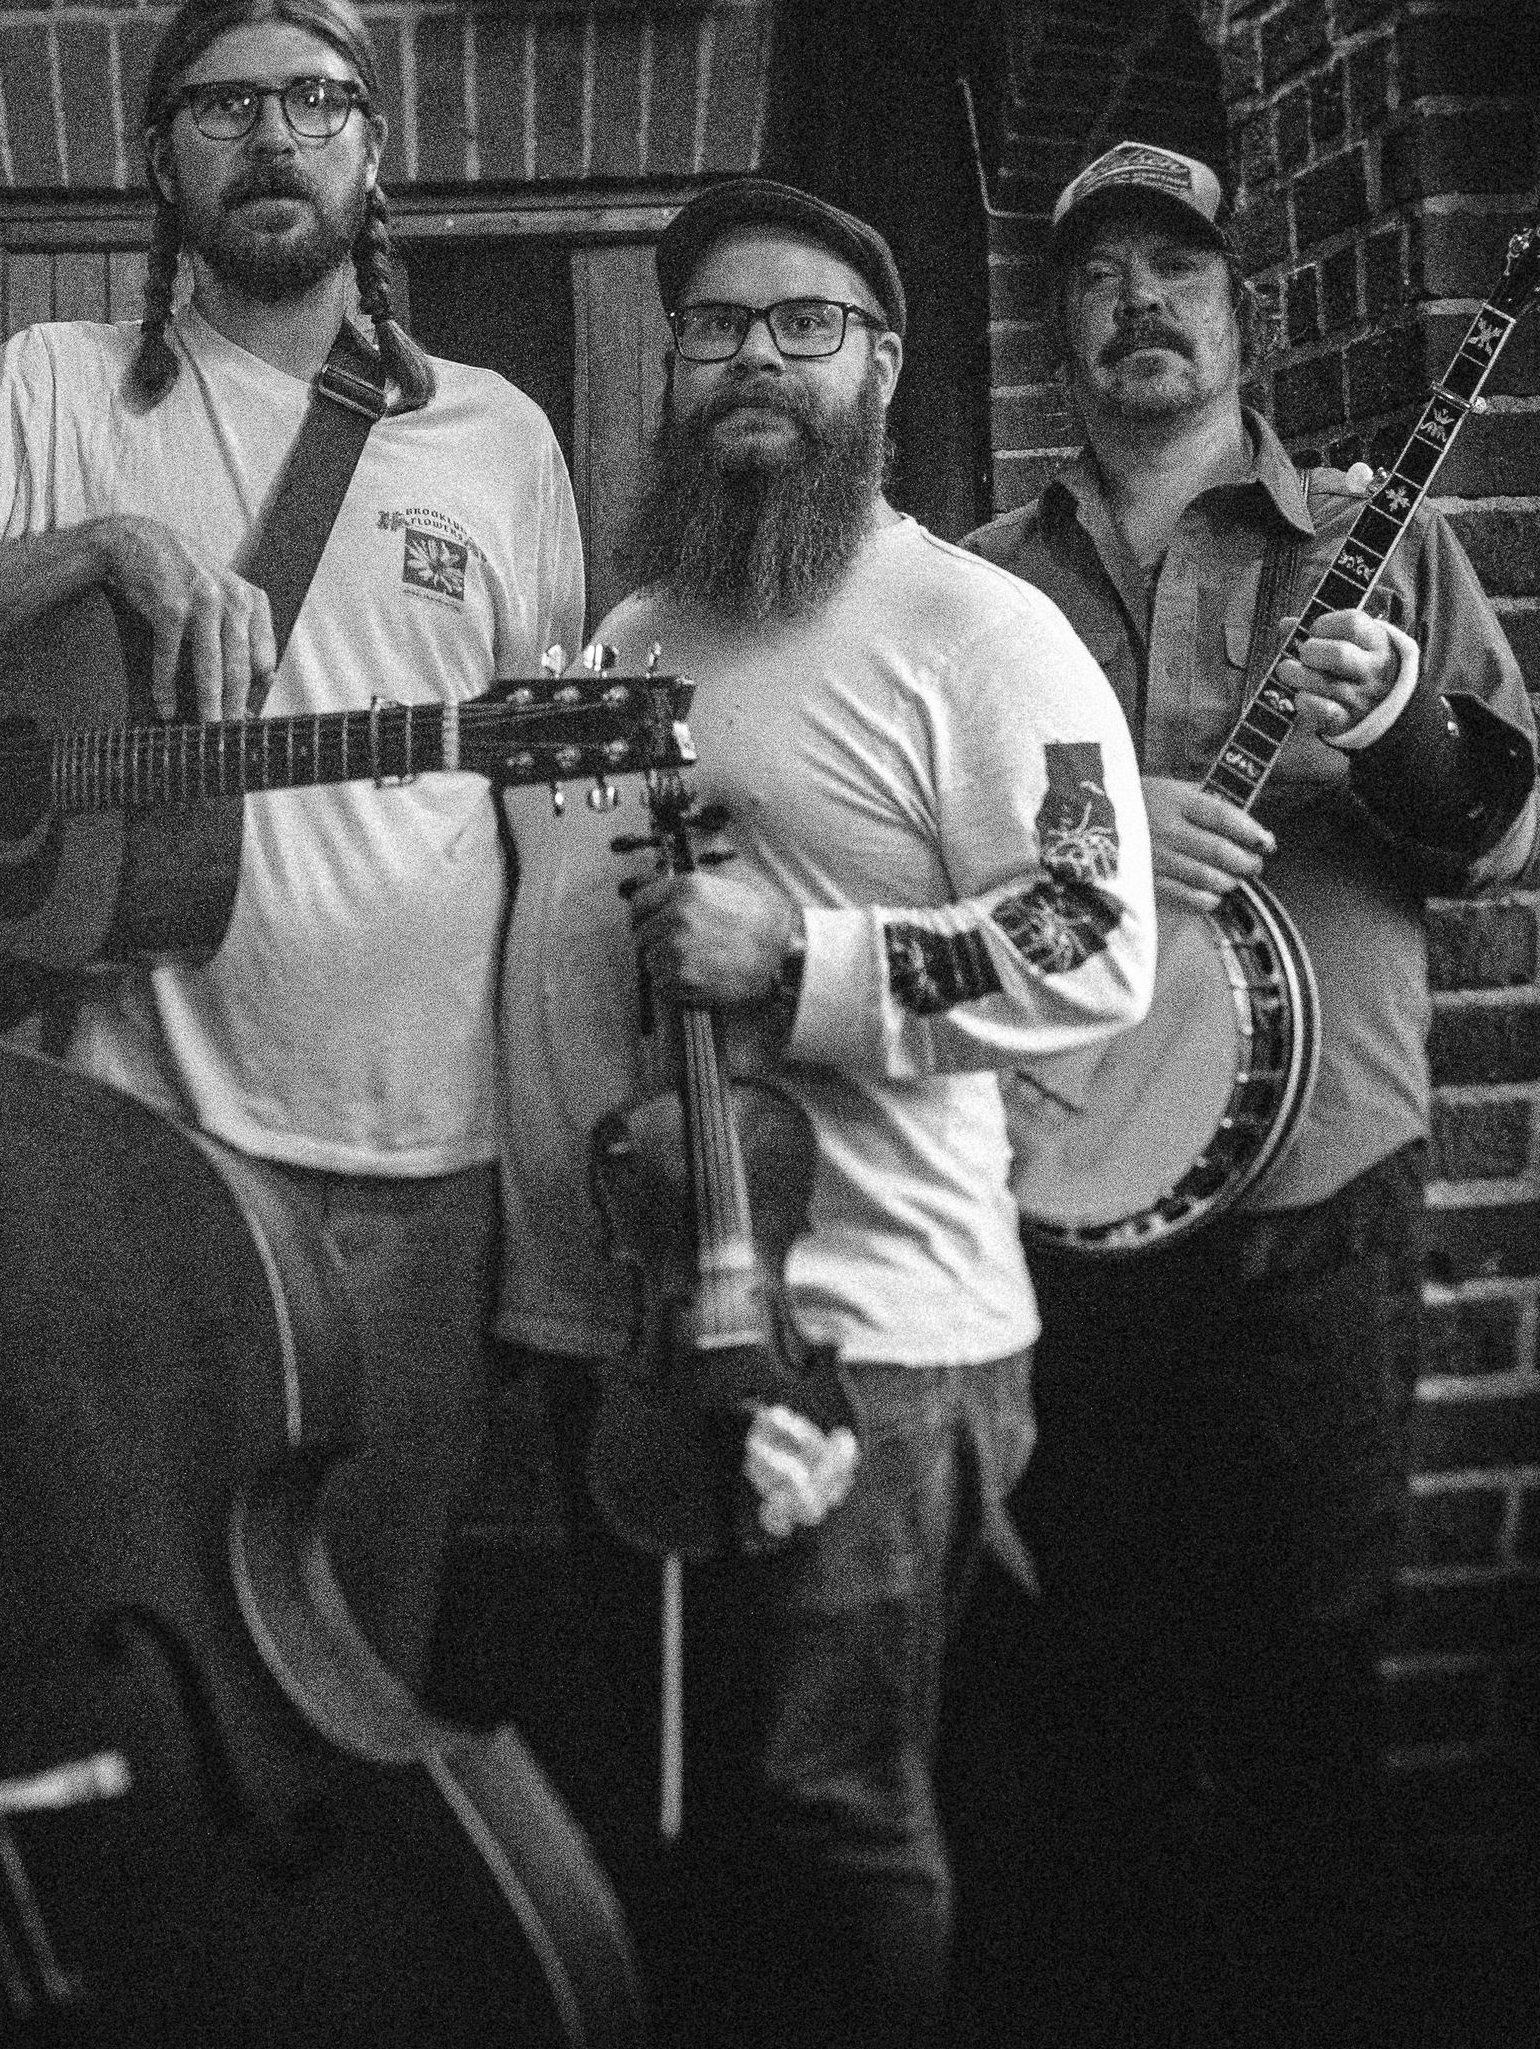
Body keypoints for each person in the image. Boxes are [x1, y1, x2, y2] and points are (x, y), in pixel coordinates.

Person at [0, 0, 590, 1688]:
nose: (275, 135)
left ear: (375, 159)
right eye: (226, 102)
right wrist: (95, 546)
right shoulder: (53, 390)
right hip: (131, 1145)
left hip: (420, 1160)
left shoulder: (500, 441)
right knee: (126, 1631)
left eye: (318, 101)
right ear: (162, 158)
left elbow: (555, 812)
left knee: (366, 1654)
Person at [490, 178, 1157, 2047]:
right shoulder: (629, 629)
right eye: (714, 327)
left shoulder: (982, 628)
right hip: (627, 1324)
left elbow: (1095, 938)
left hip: (860, 1337)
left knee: (825, 1816)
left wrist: (804, 964)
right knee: (667, 1814)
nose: (752, 360)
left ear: (882, 366)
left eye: (804, 325)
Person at [954, 142, 1540, 2034]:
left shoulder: (1380, 540)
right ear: (1059, 325)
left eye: (1177, 270)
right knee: (1072, 1685)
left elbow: (1498, 837)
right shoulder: (977, 585)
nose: (1139, 299)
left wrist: (1396, 726)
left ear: (1243, 314)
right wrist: (1109, 837)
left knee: (1305, 1676)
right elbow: (919, 868)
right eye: (1101, 273)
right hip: (1060, 1195)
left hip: (1317, 1199)